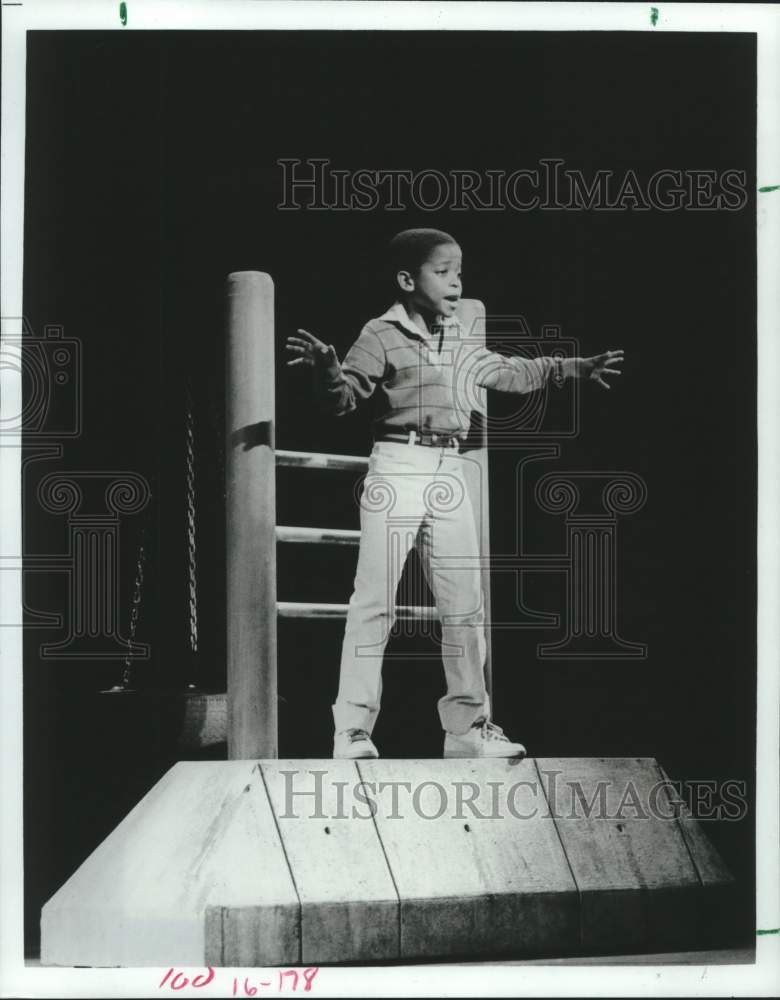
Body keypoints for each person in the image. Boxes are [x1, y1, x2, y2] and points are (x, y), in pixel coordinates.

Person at [286, 228, 623, 760]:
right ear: (407, 280)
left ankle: (468, 727)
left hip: (450, 467)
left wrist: (569, 368)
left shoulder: (461, 334)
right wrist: (328, 372)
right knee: (375, 602)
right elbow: (344, 401)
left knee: (465, 605)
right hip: (398, 464)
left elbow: (508, 372)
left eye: (459, 271)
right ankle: (351, 729)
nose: (455, 281)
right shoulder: (380, 333)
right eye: (442, 272)